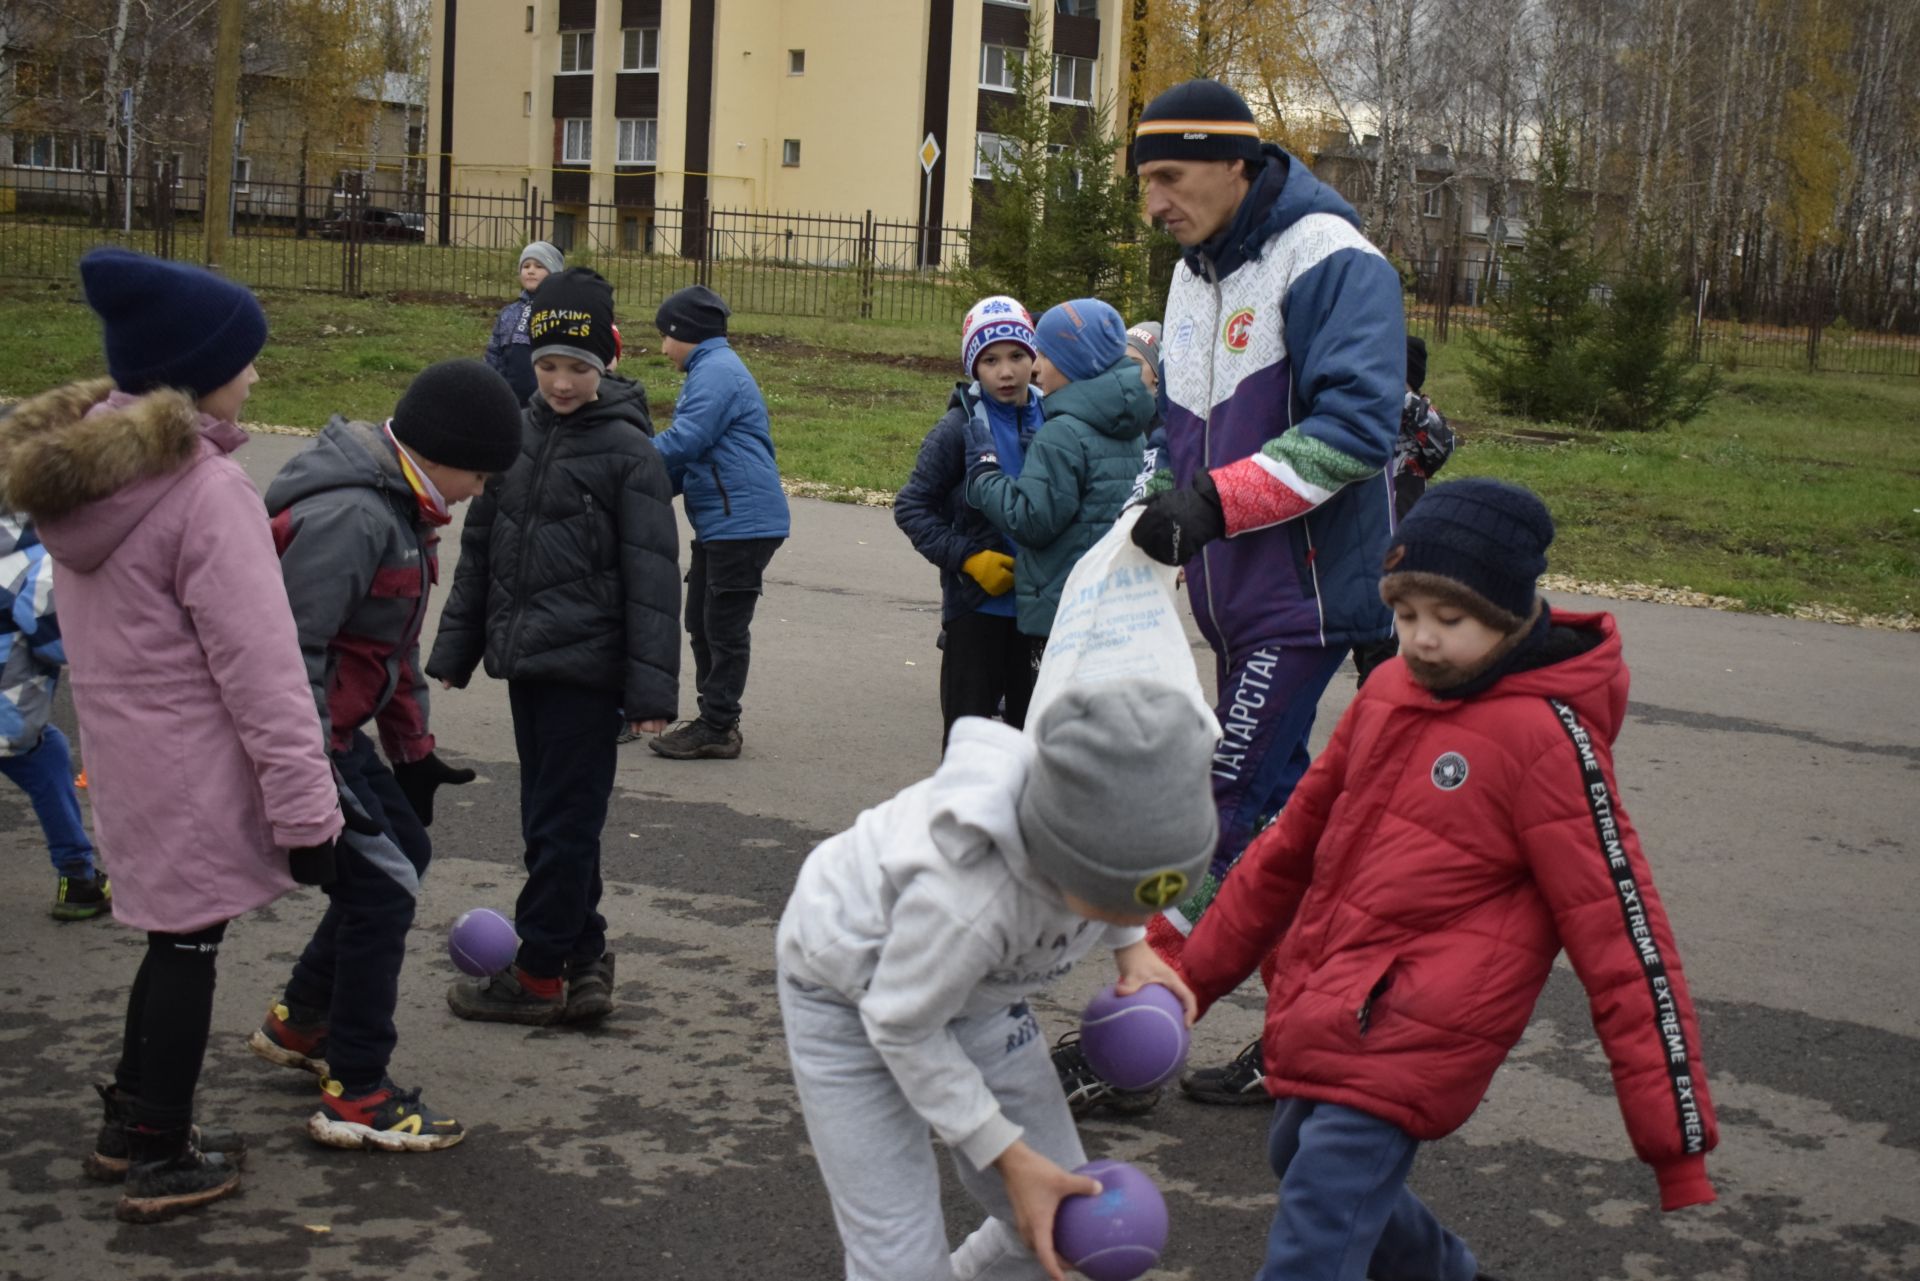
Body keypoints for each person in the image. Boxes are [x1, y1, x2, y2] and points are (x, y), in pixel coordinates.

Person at [1178, 479, 1718, 1281]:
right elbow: (1289, 845)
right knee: (1296, 1152)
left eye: (1450, 619)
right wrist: (1187, 978)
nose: (1422, 639)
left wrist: (1674, 1142)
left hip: (1425, 1022)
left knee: (1323, 1201)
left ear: (1507, 614)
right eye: (1405, 616)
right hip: (1336, 991)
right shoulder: (1390, 691)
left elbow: (1622, 931)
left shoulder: (1544, 740)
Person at [0, 248, 347, 1222]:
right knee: (188, 952)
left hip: (130, 760)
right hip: (192, 769)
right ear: (196, 375)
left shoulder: (95, 485)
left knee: (171, 941)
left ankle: (132, 1126)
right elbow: (264, 669)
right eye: (246, 358)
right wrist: (307, 813)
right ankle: (159, 1147)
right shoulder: (202, 492)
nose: (258, 372)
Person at [1122, 78, 1409, 1104]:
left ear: (1235, 163)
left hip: (1306, 597)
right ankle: (1315, 1048)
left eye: (1169, 175)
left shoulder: (1331, 259)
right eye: (1144, 180)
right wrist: (1150, 517)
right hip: (1231, 595)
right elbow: (1182, 435)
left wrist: (1208, 507)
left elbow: (1358, 429)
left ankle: (1132, 1027)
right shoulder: (1196, 271)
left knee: (1224, 808)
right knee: (1283, 848)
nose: (1153, 201)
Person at [777, 679, 1217, 1281]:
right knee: (899, 1259)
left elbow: (1125, 865)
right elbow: (901, 1026)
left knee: (1054, 1225)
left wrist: (1131, 947)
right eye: (1107, 906)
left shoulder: (1094, 840)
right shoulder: (967, 901)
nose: (1120, 918)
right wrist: (1005, 1153)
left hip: (977, 993)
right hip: (848, 996)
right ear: (1057, 858)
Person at [244, 359, 524, 1150]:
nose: (479, 489)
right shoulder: (355, 517)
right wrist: (301, 773)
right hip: (308, 737)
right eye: (478, 472)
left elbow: (390, 647)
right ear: (440, 454)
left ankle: (302, 1017)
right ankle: (358, 1089)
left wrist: (413, 751)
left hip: (341, 731)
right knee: (386, 886)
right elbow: (285, 653)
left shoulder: (403, 509)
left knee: (408, 846)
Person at [429, 268, 681, 1026]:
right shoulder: (518, 433)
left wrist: (649, 695)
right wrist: (456, 645)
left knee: (564, 820)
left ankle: (538, 973)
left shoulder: (631, 455)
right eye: (547, 366)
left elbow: (653, 580)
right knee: (550, 817)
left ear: (606, 362)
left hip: (588, 669)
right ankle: (584, 950)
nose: (562, 382)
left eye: (578, 367)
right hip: (527, 661)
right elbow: (484, 546)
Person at [963, 298, 1153, 663]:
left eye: (1044, 356)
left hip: (1062, 609)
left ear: (1072, 363)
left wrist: (984, 474)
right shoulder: (1132, 425)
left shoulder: (1062, 433)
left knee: (1054, 717)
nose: (1035, 368)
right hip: (1113, 604)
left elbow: (1032, 521)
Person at [893, 296, 1044, 748]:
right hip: (976, 611)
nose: (1006, 372)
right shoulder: (957, 428)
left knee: (1033, 749)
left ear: (1033, 357)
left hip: (1043, 613)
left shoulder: (1056, 417)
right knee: (967, 749)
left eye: (1017, 356)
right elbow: (912, 507)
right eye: (990, 360)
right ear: (973, 367)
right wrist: (969, 558)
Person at [648, 285, 790, 761]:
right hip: (726, 521)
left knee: (723, 627)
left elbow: (686, 439)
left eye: (665, 336)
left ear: (686, 333)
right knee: (702, 623)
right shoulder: (711, 369)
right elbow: (689, 460)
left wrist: (625, 459)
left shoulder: (716, 372)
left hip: (743, 523)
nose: (663, 347)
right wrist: (641, 488)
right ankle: (714, 717)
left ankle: (718, 725)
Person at [0, 502, 108, 920]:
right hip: (9, 714)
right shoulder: (35, 561)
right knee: (49, 756)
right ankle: (78, 879)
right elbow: (54, 640)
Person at [1351, 335, 1458, 684]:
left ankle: (1376, 698)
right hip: (1355, 536)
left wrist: (1393, 392)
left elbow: (1444, 443)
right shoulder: (1360, 413)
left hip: (1396, 542)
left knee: (1380, 633)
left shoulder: (1420, 422)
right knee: (1355, 626)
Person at [484, 241, 563, 405]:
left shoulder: (559, 311)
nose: (531, 271)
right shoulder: (509, 312)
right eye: (526, 266)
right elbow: (494, 353)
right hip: (507, 397)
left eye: (539, 266)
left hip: (544, 399)